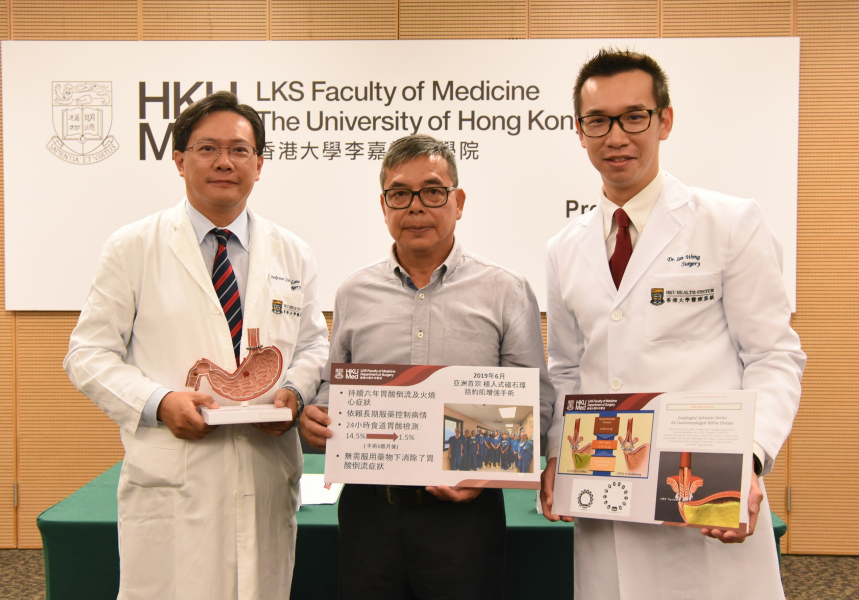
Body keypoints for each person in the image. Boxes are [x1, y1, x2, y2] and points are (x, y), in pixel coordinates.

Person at [539, 49, 806, 600]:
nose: (616, 136)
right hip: (606, 498)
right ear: (579, 132)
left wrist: (749, 457)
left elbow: (773, 355)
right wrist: (558, 454)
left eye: (634, 117)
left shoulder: (729, 223)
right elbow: (566, 368)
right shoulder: (563, 248)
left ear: (664, 121)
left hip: (704, 497)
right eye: (598, 121)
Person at [63, 91, 330, 600]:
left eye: (239, 150)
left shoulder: (293, 252)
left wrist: (294, 395)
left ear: (259, 165)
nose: (224, 162)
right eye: (208, 149)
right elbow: (88, 354)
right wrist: (159, 402)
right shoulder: (133, 247)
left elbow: (314, 345)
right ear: (180, 161)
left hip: (265, 471)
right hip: (175, 476)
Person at [298, 134, 554, 600]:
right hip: (368, 514)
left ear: (458, 202)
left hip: (465, 517)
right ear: (383, 206)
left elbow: (536, 401)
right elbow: (335, 388)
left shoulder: (506, 290)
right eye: (399, 193)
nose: (415, 206)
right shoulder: (353, 293)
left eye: (433, 191)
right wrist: (317, 415)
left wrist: (482, 472)